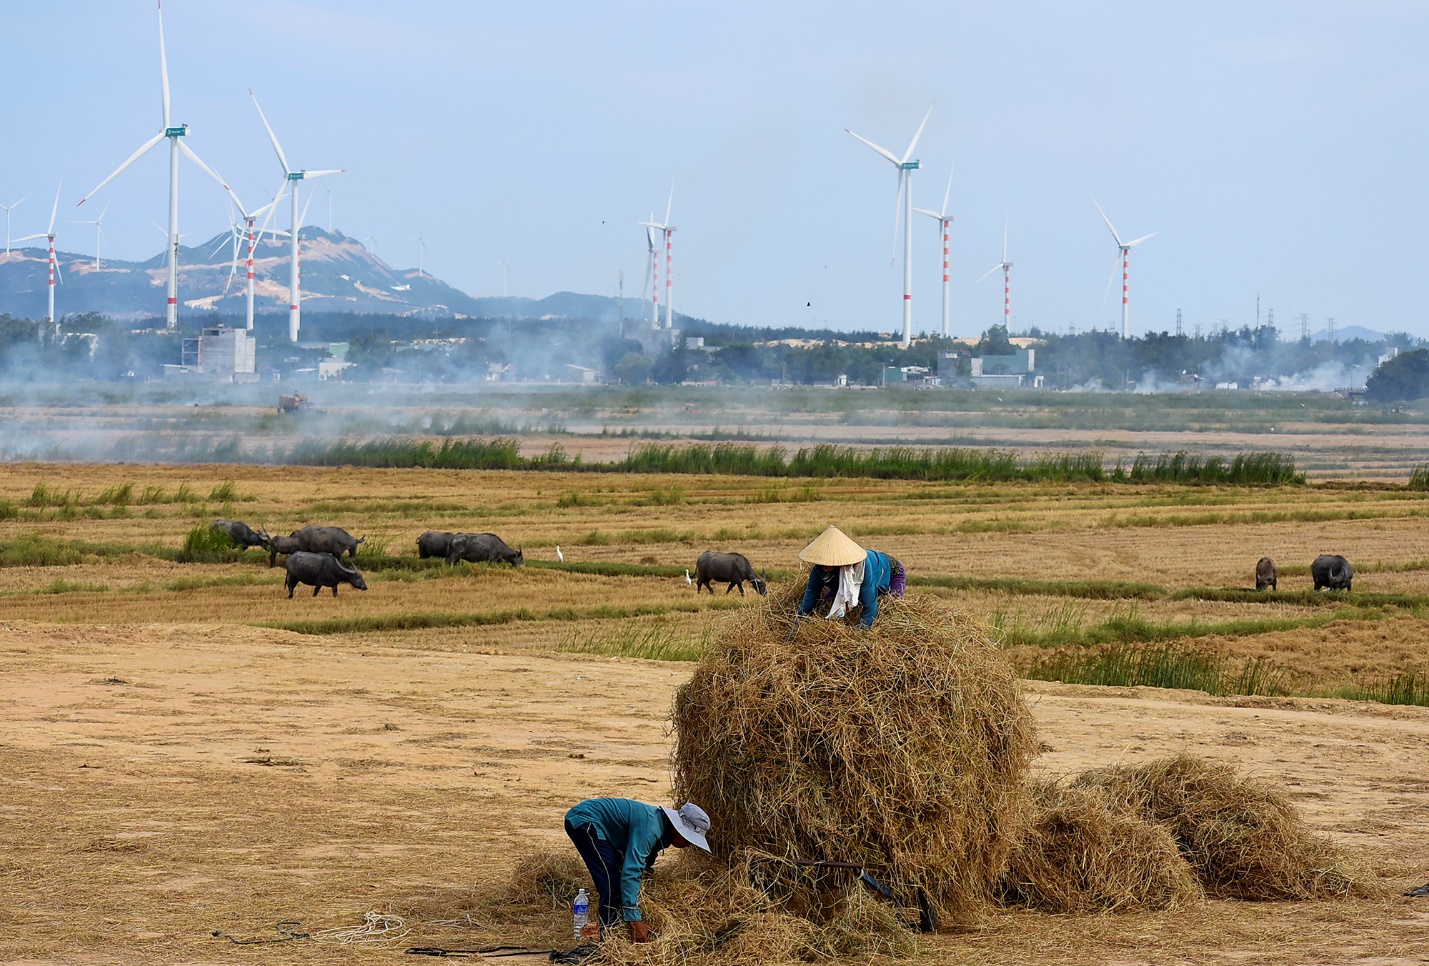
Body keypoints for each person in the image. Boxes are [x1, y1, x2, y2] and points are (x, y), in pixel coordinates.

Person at [564, 798, 712, 943]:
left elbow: (645, 861)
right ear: (678, 829)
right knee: (611, 883)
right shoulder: (651, 829)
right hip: (584, 820)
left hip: (595, 821)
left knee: (618, 875)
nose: (688, 845)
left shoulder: (662, 828)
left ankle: (614, 926)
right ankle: (609, 939)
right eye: (688, 839)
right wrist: (634, 919)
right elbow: (631, 870)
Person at [792, 525, 906, 630]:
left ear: (837, 561)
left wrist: (860, 631)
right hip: (843, 578)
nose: (822, 564)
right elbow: (809, 599)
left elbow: (870, 605)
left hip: (891, 571)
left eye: (827, 562)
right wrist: (796, 626)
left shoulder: (862, 568)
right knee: (822, 605)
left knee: (891, 610)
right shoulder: (819, 570)